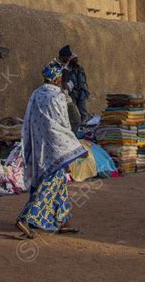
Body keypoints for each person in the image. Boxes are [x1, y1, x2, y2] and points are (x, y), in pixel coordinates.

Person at [15, 61, 87, 238]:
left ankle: (62, 220)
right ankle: (24, 219)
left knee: (60, 181)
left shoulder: (36, 94)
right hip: (57, 146)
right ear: (57, 79)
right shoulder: (58, 96)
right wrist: (71, 143)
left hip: (41, 145)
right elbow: (65, 122)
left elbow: (29, 119)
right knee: (50, 183)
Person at [54, 45, 81, 132]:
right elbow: (64, 85)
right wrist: (69, 86)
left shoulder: (54, 66)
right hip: (62, 96)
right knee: (76, 119)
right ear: (63, 57)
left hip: (56, 96)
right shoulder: (62, 68)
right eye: (68, 57)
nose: (69, 59)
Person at [67, 55, 90, 123]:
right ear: (70, 60)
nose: (76, 60)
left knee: (83, 112)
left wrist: (86, 91)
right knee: (73, 112)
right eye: (74, 59)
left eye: (76, 58)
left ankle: (84, 125)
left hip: (81, 93)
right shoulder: (67, 70)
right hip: (73, 93)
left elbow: (84, 80)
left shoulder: (80, 68)